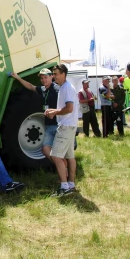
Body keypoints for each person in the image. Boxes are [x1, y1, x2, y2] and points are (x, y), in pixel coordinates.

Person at [10, 68, 60, 161]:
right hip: (48, 125)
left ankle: (65, 170)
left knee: (60, 152)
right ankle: (61, 166)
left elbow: (67, 105)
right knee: (45, 150)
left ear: (51, 76)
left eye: (46, 77)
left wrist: (56, 112)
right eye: (41, 78)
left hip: (58, 125)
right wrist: (18, 78)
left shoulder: (57, 89)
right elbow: (30, 86)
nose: (43, 80)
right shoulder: (43, 89)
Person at [45, 64, 78, 196]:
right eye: (53, 74)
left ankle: (64, 187)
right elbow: (67, 108)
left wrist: (54, 113)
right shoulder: (64, 87)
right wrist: (53, 110)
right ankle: (71, 184)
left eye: (56, 74)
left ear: (63, 73)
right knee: (70, 157)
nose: (54, 77)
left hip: (66, 126)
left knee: (55, 155)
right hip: (70, 125)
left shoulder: (67, 88)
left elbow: (69, 108)